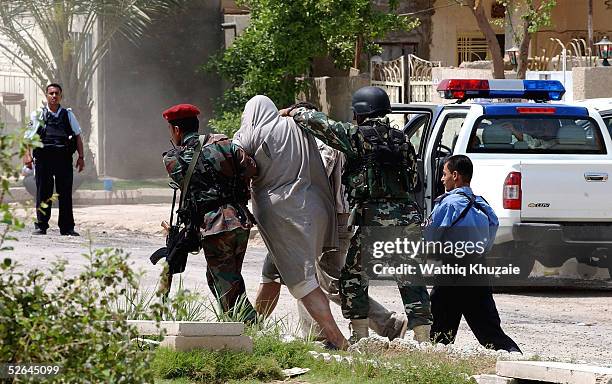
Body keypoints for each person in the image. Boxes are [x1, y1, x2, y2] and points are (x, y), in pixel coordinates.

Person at [284, 86, 433, 343]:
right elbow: (414, 179)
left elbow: (322, 124)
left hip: (372, 219)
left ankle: (360, 337)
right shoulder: (403, 139)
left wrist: (294, 111)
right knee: (411, 278)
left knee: (354, 279)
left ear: (360, 112)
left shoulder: (355, 136)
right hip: (407, 218)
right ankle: (424, 340)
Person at [261, 138, 409, 341]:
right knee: (307, 276)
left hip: (331, 220)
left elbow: (316, 180)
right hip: (331, 218)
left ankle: (388, 323)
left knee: (331, 281)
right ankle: (318, 336)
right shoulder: (324, 144)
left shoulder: (322, 147)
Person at [233, 95, 349, 349]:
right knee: (274, 273)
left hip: (282, 216)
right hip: (315, 210)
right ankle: (253, 329)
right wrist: (285, 112)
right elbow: (301, 116)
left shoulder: (251, 132)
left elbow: (234, 154)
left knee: (303, 282)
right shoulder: (297, 125)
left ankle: (338, 340)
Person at [162, 103, 257, 323]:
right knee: (225, 278)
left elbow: (182, 179)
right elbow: (251, 168)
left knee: (225, 284)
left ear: (176, 130)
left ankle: (250, 329)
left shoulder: (173, 158)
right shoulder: (225, 143)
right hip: (240, 220)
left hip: (214, 226)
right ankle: (238, 326)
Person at [423, 154, 521, 352]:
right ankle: (516, 358)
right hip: (478, 269)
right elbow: (493, 226)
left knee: (440, 331)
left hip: (451, 272)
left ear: (456, 176)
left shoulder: (447, 204)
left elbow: (430, 237)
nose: (442, 179)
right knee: (490, 332)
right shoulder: (481, 204)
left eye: (444, 174)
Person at [23, 83, 84, 236]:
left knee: (65, 193)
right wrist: (27, 155)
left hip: (63, 159)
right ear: (46, 95)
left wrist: (81, 157)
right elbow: (27, 138)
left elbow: (77, 136)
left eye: (57, 93)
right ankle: (41, 226)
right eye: (51, 93)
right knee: (43, 192)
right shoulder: (38, 115)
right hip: (43, 159)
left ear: (61, 96)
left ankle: (67, 227)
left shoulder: (68, 115)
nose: (54, 96)